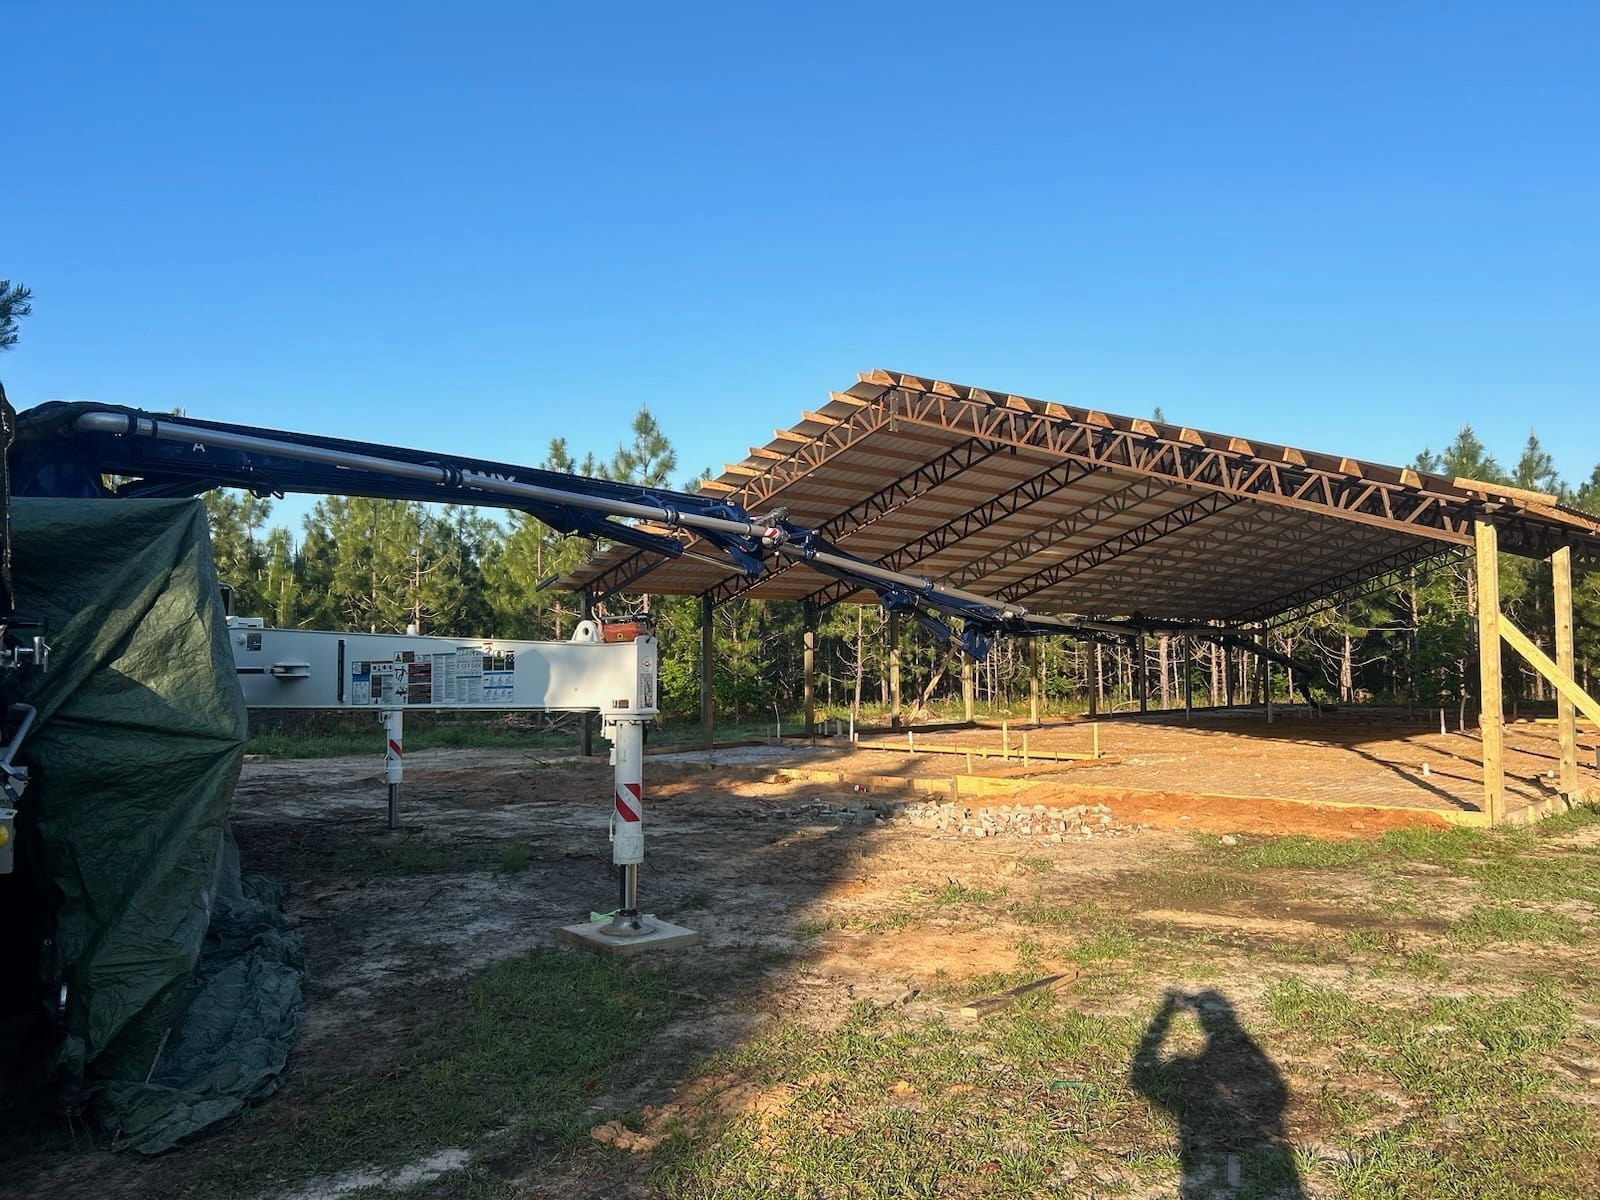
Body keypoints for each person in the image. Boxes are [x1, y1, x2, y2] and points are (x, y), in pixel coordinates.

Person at [1129, 988, 1304, 1198]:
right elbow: (1279, 1093)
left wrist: (1165, 1013)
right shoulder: (1249, 1055)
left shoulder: (1236, 1061)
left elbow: (1142, 1078)